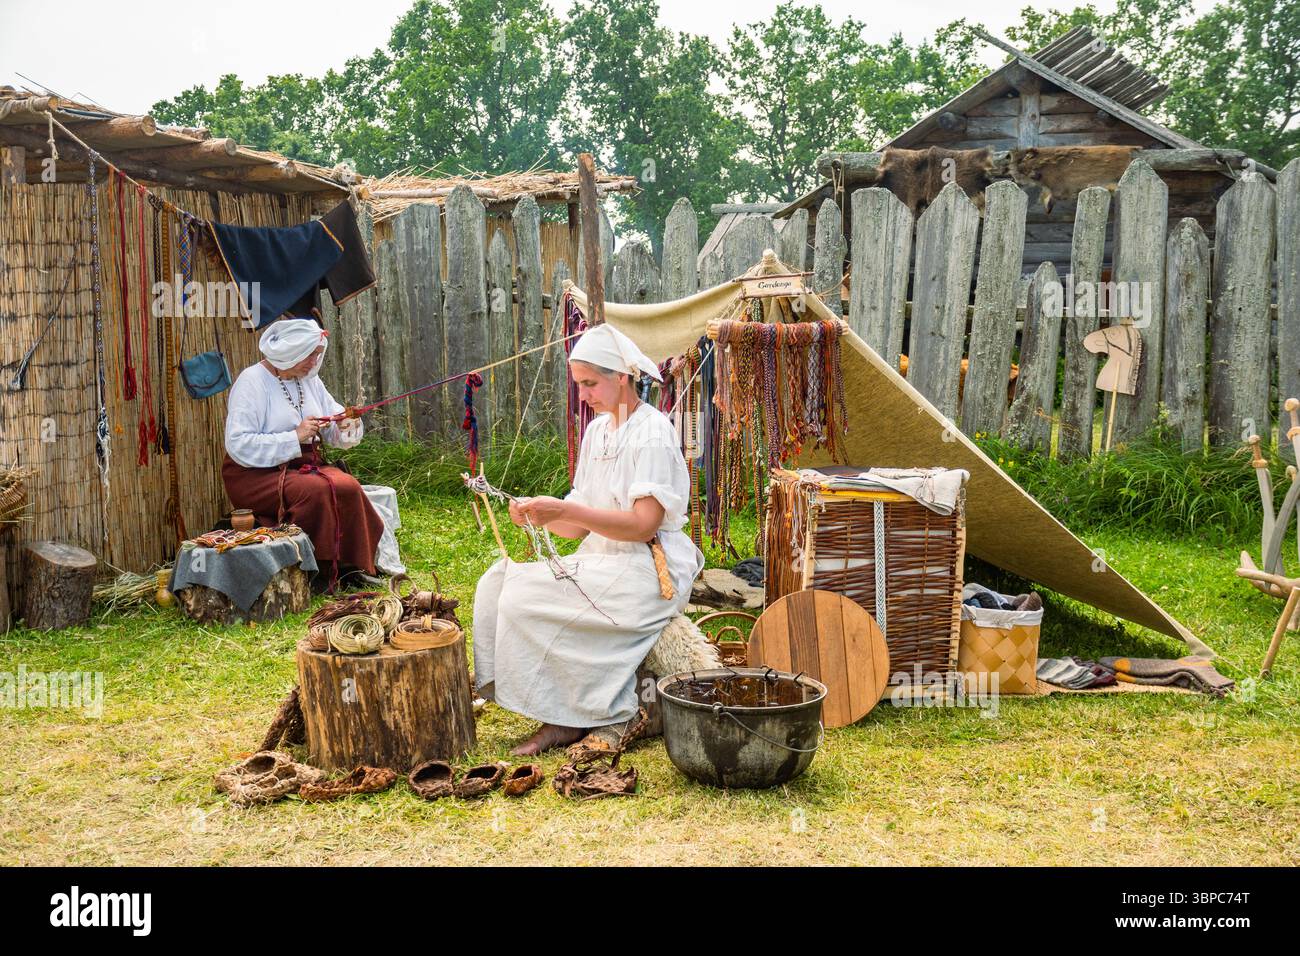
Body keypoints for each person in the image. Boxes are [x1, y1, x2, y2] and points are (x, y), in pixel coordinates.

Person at [473, 323, 705, 756]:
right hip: (604, 558)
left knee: (523, 599)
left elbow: (643, 524)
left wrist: (564, 511)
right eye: (579, 384)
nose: (583, 395)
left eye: (590, 384)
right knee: (496, 584)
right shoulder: (598, 431)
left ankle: (597, 712)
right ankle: (562, 713)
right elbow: (578, 527)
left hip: (649, 568)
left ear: (622, 377)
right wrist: (539, 516)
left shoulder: (652, 432)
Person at [221, 318, 385, 588]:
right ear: (289, 352)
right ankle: (315, 572)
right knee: (316, 491)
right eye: (309, 355)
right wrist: (294, 437)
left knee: (348, 486)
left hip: (304, 467)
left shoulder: (310, 381)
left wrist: (345, 424)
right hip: (254, 475)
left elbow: (332, 427)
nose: (314, 362)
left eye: (318, 354)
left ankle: (350, 567)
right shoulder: (252, 381)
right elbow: (239, 444)